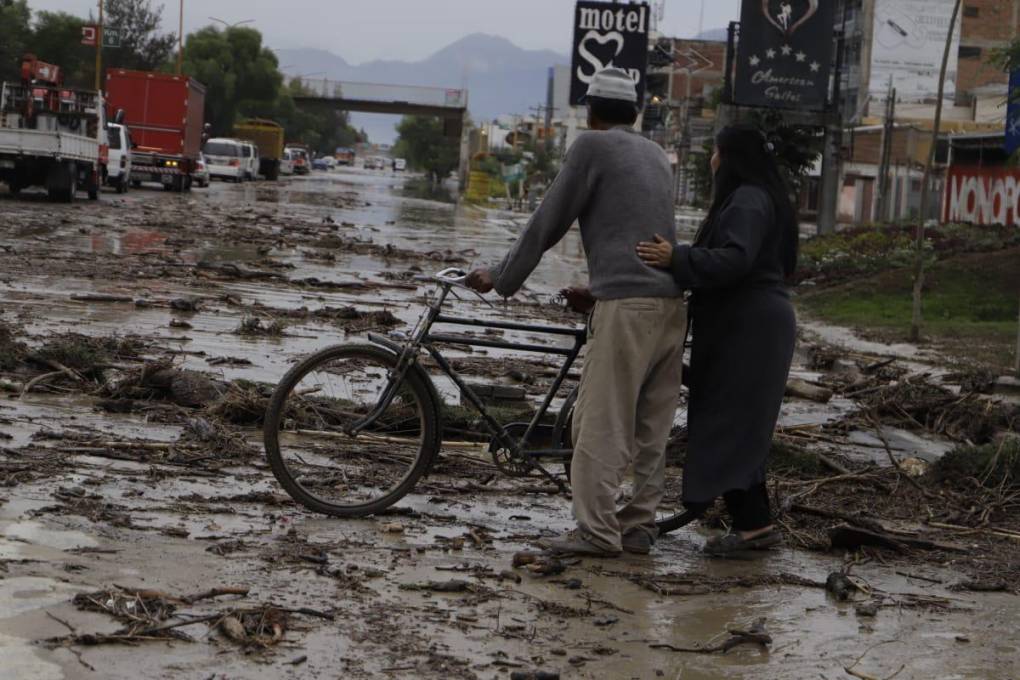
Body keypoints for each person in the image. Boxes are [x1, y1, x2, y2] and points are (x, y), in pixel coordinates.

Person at [465, 68, 686, 557]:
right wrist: (599, 286)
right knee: (652, 426)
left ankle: (596, 533)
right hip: (671, 306)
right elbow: (636, 228)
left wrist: (501, 278)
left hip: (628, 309)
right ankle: (638, 527)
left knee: (600, 420)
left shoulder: (591, 147)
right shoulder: (656, 154)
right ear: (635, 112)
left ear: (590, 111)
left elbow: (548, 221)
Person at [636, 124, 798, 555]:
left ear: (730, 158)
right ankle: (755, 527)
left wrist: (677, 258)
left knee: (730, 425)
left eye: (715, 152)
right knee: (739, 428)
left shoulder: (747, 199)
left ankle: (752, 531)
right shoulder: (761, 198)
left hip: (750, 330)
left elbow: (735, 259)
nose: (711, 160)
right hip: (749, 326)